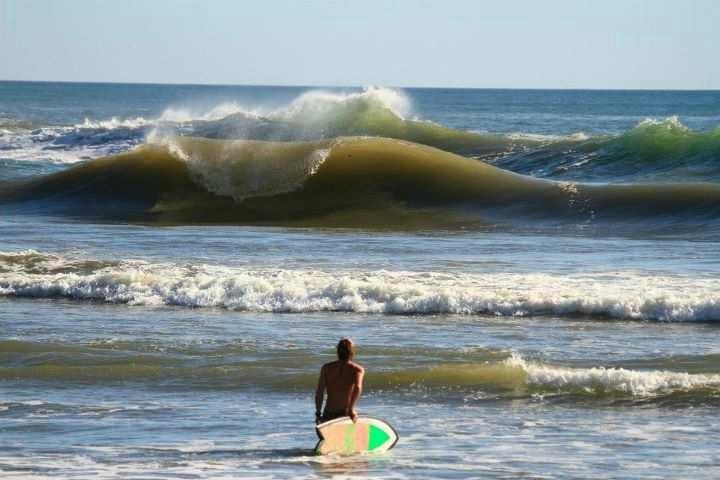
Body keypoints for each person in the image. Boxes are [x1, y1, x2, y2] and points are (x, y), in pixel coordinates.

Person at [315, 338, 365, 424]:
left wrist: (318, 413)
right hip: (345, 414)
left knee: (329, 437)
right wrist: (351, 409)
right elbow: (358, 387)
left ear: (337, 351)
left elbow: (320, 391)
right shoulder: (357, 369)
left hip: (328, 413)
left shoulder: (326, 368)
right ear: (352, 352)